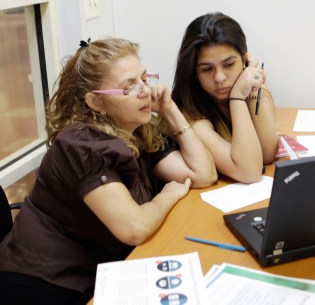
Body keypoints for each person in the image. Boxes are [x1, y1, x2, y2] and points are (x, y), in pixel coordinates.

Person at [0, 38, 217, 304]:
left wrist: (171, 110)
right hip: (44, 283)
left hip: (99, 271)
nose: (145, 91)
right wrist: (168, 194)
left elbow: (203, 175)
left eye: (144, 79)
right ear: (96, 103)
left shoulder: (137, 127)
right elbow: (134, 228)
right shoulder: (81, 145)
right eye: (129, 87)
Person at [171, 12, 279, 183]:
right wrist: (237, 97)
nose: (220, 78)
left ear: (244, 60)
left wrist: (249, 91)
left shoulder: (251, 88)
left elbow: (267, 154)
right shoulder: (191, 117)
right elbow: (250, 172)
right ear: (194, 72)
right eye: (207, 69)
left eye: (229, 64)